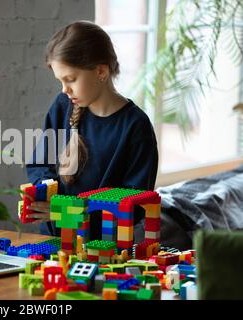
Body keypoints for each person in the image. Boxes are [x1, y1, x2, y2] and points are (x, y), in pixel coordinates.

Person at [25, 21, 159, 239]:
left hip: (103, 250)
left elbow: (135, 206)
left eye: (70, 79)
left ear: (101, 71)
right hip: (52, 241)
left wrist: (69, 213)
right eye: (60, 80)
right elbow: (40, 162)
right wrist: (45, 189)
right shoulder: (62, 106)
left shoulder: (135, 126)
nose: (64, 89)